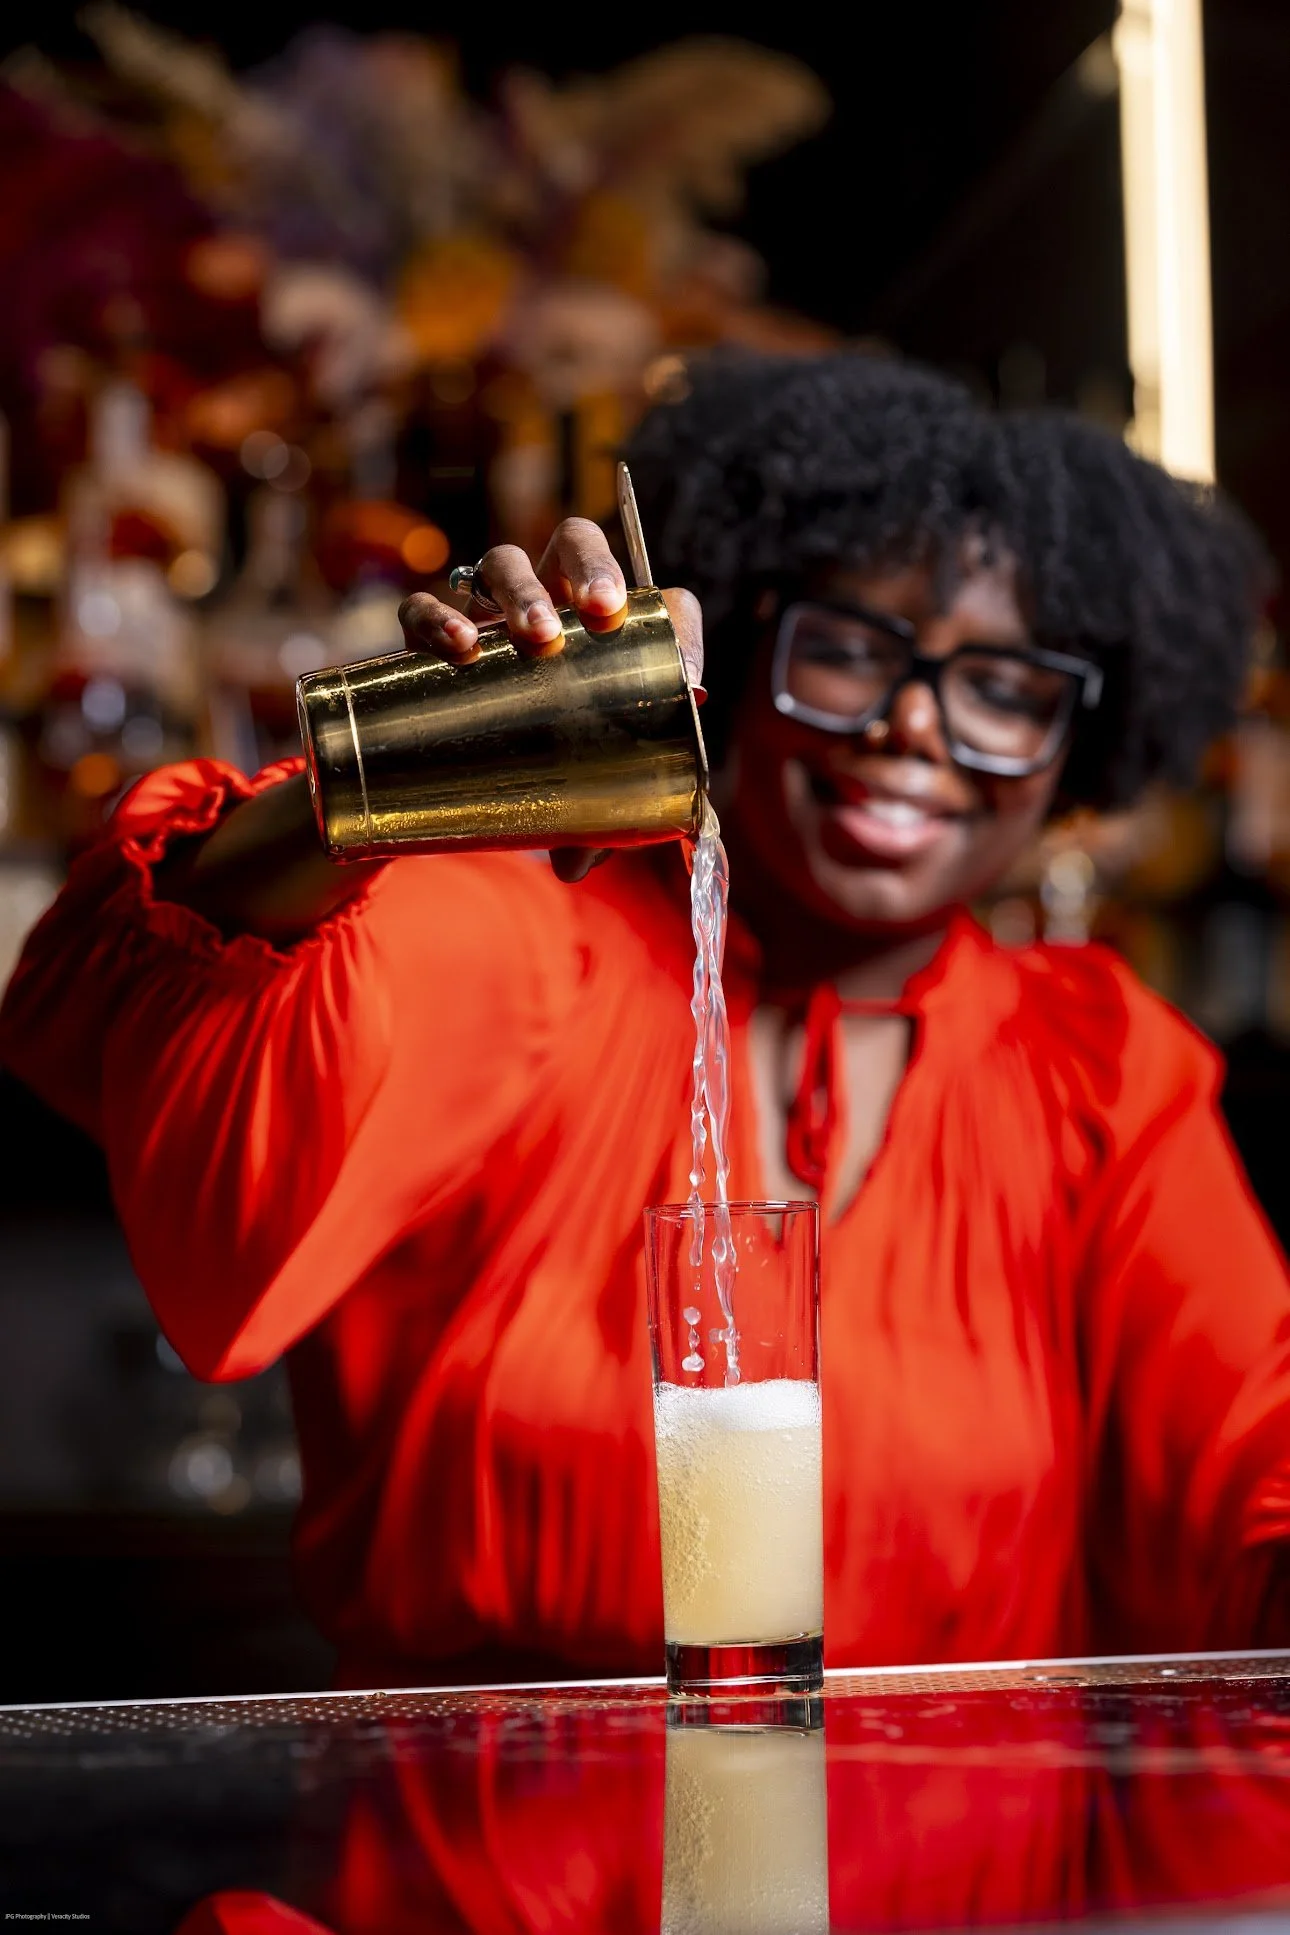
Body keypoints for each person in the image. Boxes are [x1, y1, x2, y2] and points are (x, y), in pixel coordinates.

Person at [3, 352, 1287, 1688]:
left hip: (956, 1890)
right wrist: (407, 758)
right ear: (733, 643)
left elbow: (1254, 1459)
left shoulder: (1099, 1067)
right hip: (484, 1885)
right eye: (846, 651)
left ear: (1080, 748)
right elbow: (114, 999)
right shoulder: (541, 940)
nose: (914, 725)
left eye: (1004, 689)